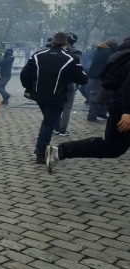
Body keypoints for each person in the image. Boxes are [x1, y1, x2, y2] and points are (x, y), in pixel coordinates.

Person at [46, 36, 130, 173]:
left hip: (117, 104)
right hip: (124, 108)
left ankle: (59, 151)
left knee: (112, 147)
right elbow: (128, 85)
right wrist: (128, 112)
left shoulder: (120, 52)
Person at [20, 32, 88, 164]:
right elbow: (82, 79)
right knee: (48, 123)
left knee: (48, 121)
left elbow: (25, 74)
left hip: (39, 95)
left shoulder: (37, 55)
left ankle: (41, 149)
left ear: (52, 42)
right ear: (66, 43)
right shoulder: (70, 58)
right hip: (56, 96)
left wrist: (29, 88)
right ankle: (40, 152)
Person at [54, 33, 82, 136]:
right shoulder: (77, 53)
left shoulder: (58, 51)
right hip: (70, 82)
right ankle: (63, 130)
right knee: (67, 108)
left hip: (58, 82)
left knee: (57, 106)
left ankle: (56, 127)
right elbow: (78, 70)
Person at [86, 39, 117, 122]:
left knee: (102, 95)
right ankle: (92, 115)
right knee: (96, 96)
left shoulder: (103, 51)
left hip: (97, 76)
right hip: (98, 76)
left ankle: (100, 113)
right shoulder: (107, 53)